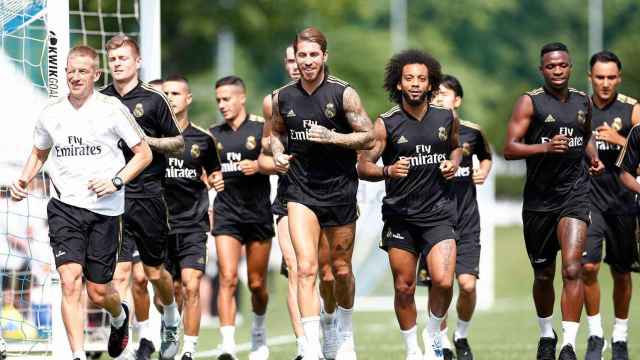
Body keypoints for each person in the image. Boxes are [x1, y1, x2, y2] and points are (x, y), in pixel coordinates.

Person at [10, 45, 152, 360]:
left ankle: (119, 316)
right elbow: (39, 152)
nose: (75, 77)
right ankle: (76, 355)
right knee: (70, 281)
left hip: (106, 210)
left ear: (95, 75)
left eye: (82, 71)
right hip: (64, 209)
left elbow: (144, 154)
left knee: (98, 291)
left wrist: (115, 181)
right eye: (71, 71)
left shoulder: (111, 109)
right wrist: (23, 179)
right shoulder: (51, 113)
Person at [270, 27, 375, 360]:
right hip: (300, 191)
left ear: (324, 57)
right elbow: (275, 132)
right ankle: (310, 347)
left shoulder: (344, 94)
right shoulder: (281, 97)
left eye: (314, 54)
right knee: (305, 268)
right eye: (302, 55)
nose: (308, 61)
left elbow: (369, 136)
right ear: (295, 58)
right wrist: (276, 153)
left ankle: (341, 328)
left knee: (340, 270)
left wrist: (334, 138)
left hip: (341, 190)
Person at [357, 49, 460, 360]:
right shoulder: (386, 123)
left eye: (422, 79)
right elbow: (363, 165)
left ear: (431, 84)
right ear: (399, 84)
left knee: (443, 280)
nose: (415, 84)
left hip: (439, 213)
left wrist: (453, 164)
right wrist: (387, 170)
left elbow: (456, 149)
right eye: (409, 79)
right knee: (404, 287)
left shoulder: (446, 118)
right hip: (401, 216)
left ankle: (432, 336)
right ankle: (412, 349)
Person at [503, 42, 603, 360]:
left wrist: (594, 157)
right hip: (538, 201)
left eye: (562, 65)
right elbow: (510, 148)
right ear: (542, 70)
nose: (557, 71)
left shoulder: (582, 101)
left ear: (570, 67)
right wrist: (544, 148)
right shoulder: (529, 103)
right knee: (544, 274)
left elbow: (585, 135)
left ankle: (569, 345)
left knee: (573, 268)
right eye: (551, 66)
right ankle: (547, 334)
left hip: (574, 194)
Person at [101, 34, 185, 360]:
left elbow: (177, 142)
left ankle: (171, 316)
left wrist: (146, 142)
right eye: (113, 59)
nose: (118, 63)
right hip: (112, 197)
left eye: (124, 58)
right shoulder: (102, 100)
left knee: (152, 274)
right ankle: (124, 347)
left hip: (149, 195)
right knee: (119, 274)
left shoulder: (153, 99)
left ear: (137, 62)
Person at [422, 74, 492, 360]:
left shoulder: (472, 132)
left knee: (467, 284)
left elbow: (487, 156)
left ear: (458, 99)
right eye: (434, 93)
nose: (438, 98)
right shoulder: (423, 131)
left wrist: (484, 171)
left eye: (445, 93)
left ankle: (460, 334)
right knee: (440, 284)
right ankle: (440, 344)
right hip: (435, 220)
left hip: (466, 220)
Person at [210, 75, 274, 360]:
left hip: (258, 213)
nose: (222, 105)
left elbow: (279, 163)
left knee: (257, 282)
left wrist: (259, 165)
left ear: (241, 98)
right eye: (218, 100)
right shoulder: (213, 135)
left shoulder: (261, 128)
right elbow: (205, 171)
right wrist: (212, 178)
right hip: (226, 214)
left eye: (226, 99)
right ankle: (227, 345)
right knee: (227, 277)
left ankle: (258, 333)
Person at [162, 74, 224, 360]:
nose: (170, 98)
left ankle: (189, 350)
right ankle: (169, 326)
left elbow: (214, 173)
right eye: (165, 93)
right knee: (169, 291)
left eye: (175, 93)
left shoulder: (203, 140)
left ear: (188, 99)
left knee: (191, 284)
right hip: (160, 225)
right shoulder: (150, 138)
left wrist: (216, 180)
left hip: (193, 224)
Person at [582, 50, 640, 360]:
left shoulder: (633, 110)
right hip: (588, 200)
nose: (605, 83)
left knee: (621, 271)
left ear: (619, 78)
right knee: (587, 267)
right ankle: (595, 335)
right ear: (590, 77)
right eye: (599, 77)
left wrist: (621, 140)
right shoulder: (579, 106)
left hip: (623, 202)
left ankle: (620, 336)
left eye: (611, 77)